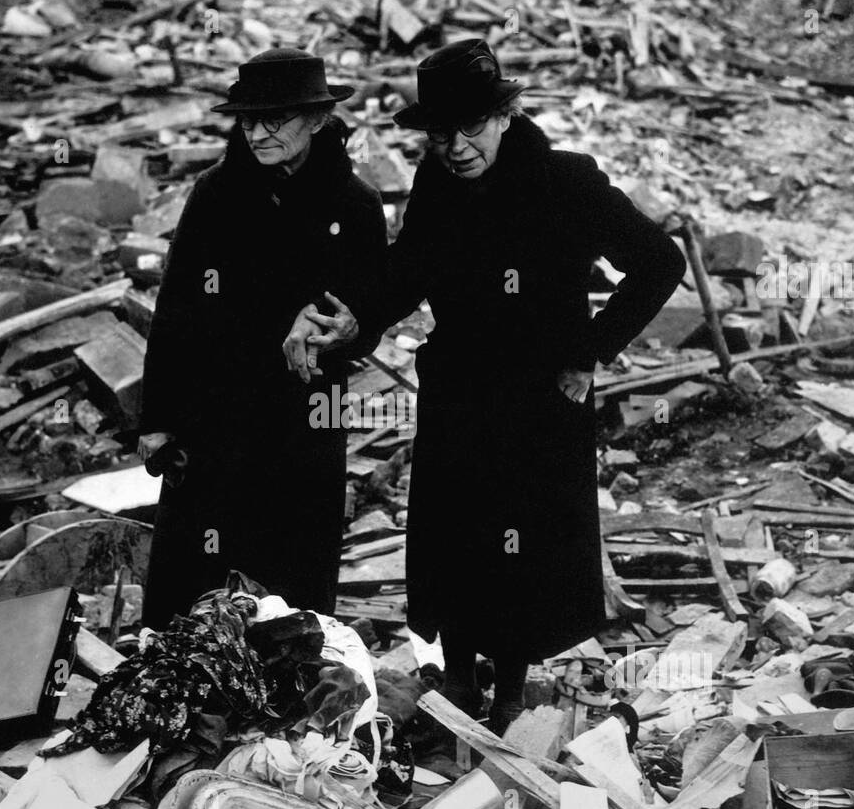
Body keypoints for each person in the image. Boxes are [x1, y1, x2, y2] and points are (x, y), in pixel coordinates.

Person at [284, 39, 687, 734]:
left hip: (540, 399)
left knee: (523, 548)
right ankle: (462, 679)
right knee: (455, 542)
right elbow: (408, 269)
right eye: (441, 134)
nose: (457, 147)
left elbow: (660, 261)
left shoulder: (569, 182)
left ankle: (511, 689)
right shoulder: (437, 183)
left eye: (471, 129)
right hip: (461, 389)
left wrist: (590, 349)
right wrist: (358, 316)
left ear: (507, 115)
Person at [139, 48, 387, 629]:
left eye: (274, 119)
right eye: (248, 120)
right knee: (197, 575)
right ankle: (191, 691)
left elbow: (370, 315)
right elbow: (174, 308)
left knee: (290, 578)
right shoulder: (215, 195)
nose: (258, 133)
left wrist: (346, 332)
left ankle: (287, 701)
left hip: (304, 415)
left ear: (318, 120)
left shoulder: (356, 206)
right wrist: (157, 417)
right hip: (215, 412)